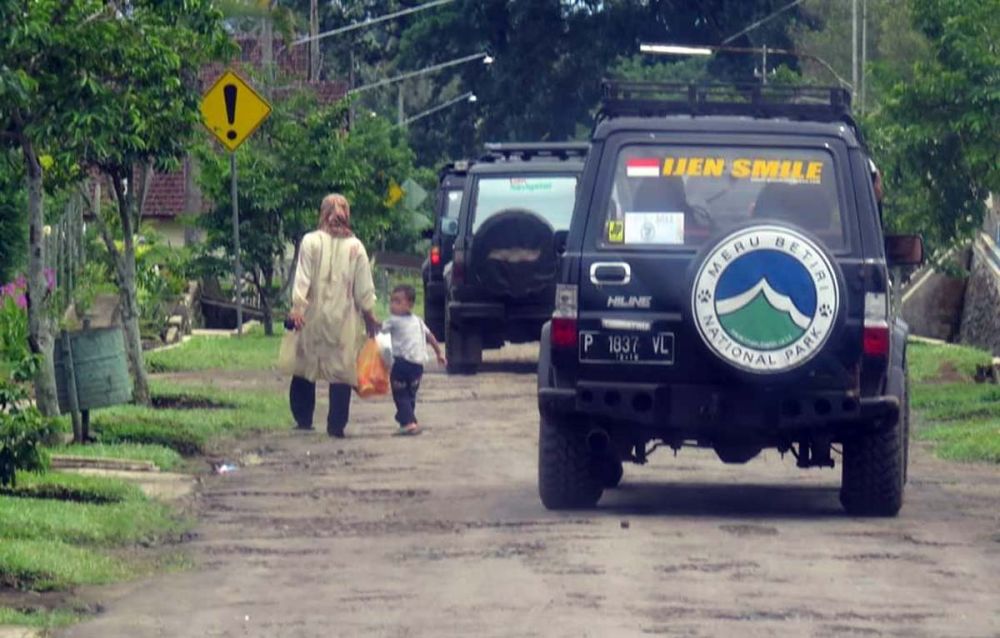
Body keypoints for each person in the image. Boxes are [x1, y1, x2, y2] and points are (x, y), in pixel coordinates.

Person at [287, 194, 380, 438]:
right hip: (343, 318)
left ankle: (303, 420)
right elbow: (364, 289)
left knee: (305, 366)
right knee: (341, 371)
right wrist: (370, 318)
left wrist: (298, 308)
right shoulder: (356, 247)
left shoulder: (310, 241)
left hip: (312, 315)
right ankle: (336, 426)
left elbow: (302, 278)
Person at [380, 284, 446, 436]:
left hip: (402, 364)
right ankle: (407, 421)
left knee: (400, 394)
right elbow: (430, 337)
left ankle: (409, 422)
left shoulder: (393, 321)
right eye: (391, 301)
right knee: (410, 394)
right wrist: (439, 353)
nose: (392, 305)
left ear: (409, 304)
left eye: (397, 301)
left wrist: (370, 324)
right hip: (418, 366)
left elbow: (378, 330)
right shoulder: (418, 320)